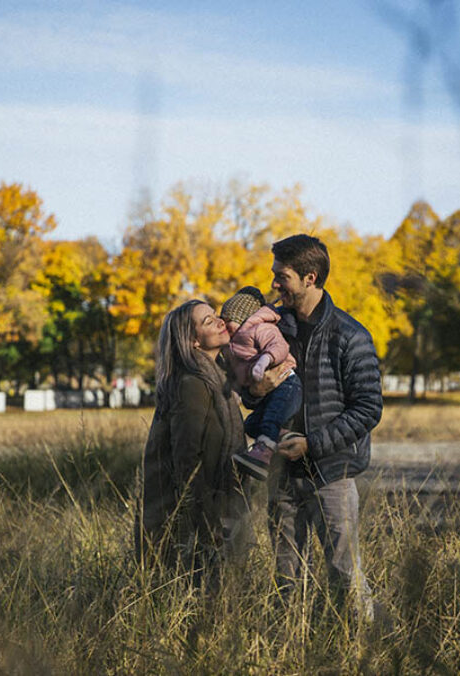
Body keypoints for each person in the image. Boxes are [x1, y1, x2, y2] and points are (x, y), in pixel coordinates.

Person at [256, 234, 383, 618]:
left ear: (310, 278)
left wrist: (312, 444)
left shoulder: (351, 335)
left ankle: (361, 646)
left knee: (344, 573)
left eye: (283, 276)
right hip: (283, 473)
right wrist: (256, 391)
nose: (275, 283)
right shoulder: (276, 332)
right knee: (285, 577)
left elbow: (368, 409)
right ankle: (286, 651)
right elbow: (257, 395)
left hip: (332, 474)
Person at [135, 299, 251, 585]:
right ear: (193, 341)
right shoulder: (193, 384)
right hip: (190, 520)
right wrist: (209, 522)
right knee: (197, 594)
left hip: (211, 509)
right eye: (209, 321)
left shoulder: (217, 378)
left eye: (216, 316)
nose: (221, 322)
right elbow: (187, 461)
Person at [218, 285, 302, 481]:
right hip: (268, 391)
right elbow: (237, 375)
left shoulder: (261, 329)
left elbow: (279, 347)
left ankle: (262, 456)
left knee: (271, 418)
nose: (225, 324)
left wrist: (265, 361)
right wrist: (239, 391)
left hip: (287, 384)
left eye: (228, 320)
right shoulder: (231, 346)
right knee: (251, 424)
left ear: (241, 318)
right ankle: (283, 436)